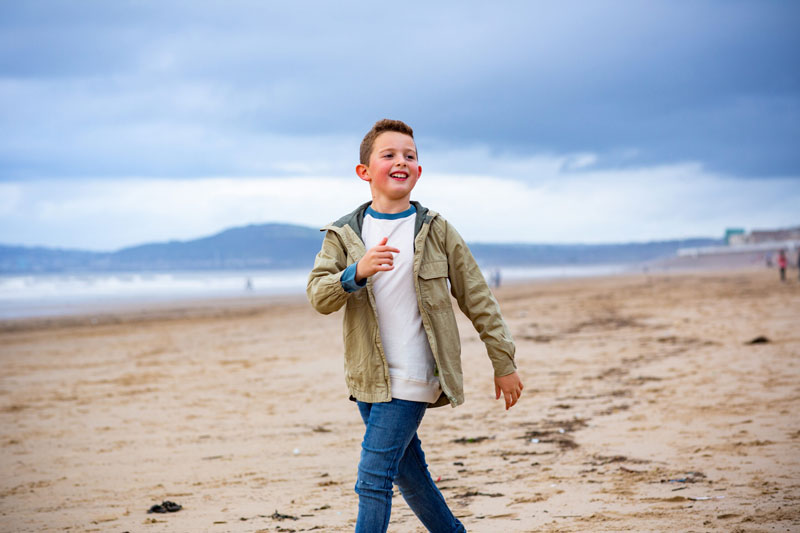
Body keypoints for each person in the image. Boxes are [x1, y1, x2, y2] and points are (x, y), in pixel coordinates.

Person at [307, 119, 523, 533]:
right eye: (388, 155)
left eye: (410, 155)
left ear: (419, 171)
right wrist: (356, 271)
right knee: (408, 473)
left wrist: (504, 362)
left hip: (416, 373)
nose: (401, 161)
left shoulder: (436, 230)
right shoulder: (343, 234)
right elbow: (319, 296)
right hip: (368, 377)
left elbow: (478, 297)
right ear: (365, 172)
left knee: (372, 479)